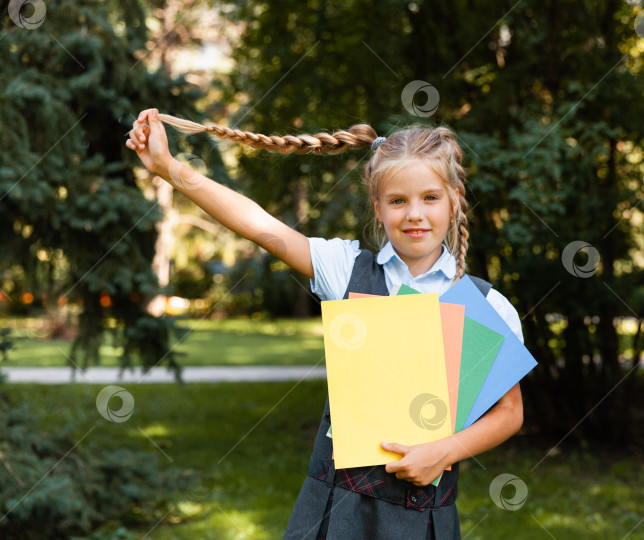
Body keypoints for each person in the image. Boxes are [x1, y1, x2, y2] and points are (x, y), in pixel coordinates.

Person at [126, 108, 525, 540]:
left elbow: (509, 413)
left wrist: (445, 449)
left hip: (421, 519)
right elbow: (259, 226)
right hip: (335, 512)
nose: (414, 214)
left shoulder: (486, 306)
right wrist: (168, 168)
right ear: (378, 205)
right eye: (397, 200)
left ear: (453, 199)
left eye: (430, 197)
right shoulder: (347, 271)